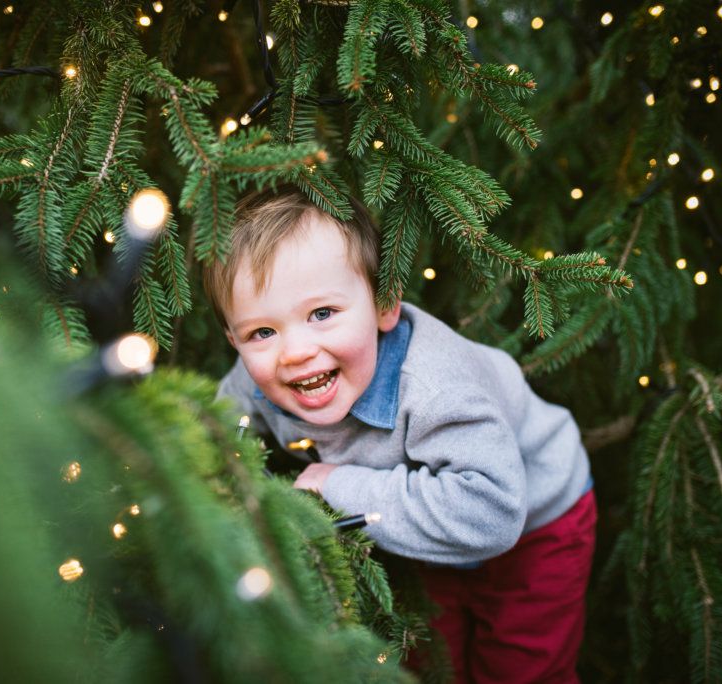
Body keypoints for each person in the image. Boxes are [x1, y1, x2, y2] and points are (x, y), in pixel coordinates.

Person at [204, 187, 596, 683]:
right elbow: (220, 425)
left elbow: (493, 514)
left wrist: (335, 485)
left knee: (523, 667)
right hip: (418, 513)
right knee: (429, 655)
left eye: (322, 314)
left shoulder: (435, 388)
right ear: (234, 340)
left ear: (384, 305)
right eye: (262, 332)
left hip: (535, 522)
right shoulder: (255, 378)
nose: (295, 352)